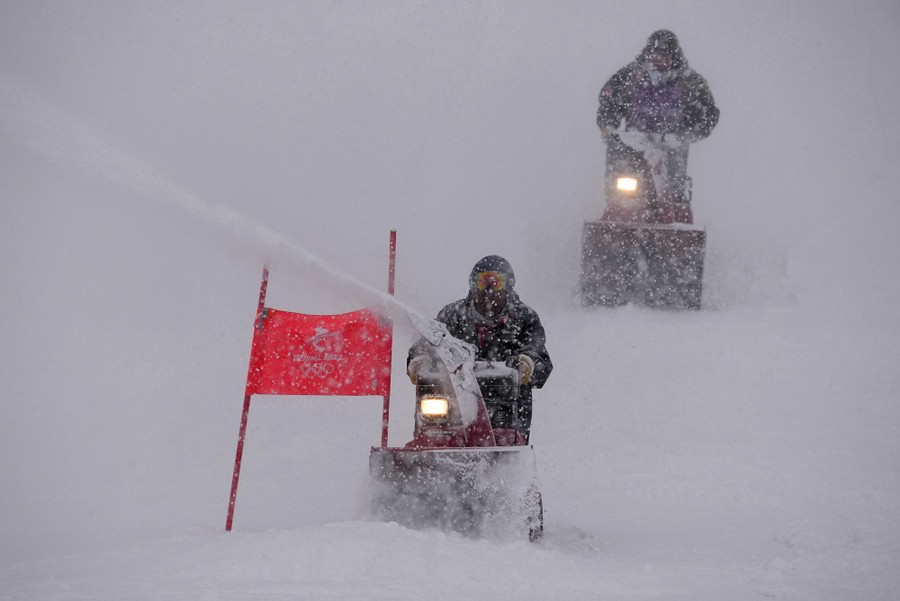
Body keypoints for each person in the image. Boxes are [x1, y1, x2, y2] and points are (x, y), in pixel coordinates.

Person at [406, 255, 552, 443]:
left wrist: (528, 364)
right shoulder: (452, 315)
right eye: (483, 282)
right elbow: (428, 342)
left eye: (496, 283)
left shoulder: (525, 319)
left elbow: (540, 359)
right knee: (433, 428)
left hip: (506, 407)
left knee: (504, 442)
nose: (489, 291)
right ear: (473, 284)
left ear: (509, 286)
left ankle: (506, 467)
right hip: (451, 401)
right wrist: (419, 359)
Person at [597, 29, 719, 205]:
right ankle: (616, 210)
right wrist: (608, 124)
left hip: (671, 143)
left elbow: (708, 111)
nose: (658, 60)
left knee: (673, 191)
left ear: (674, 58)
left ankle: (675, 210)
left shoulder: (690, 82)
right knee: (621, 183)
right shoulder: (631, 76)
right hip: (634, 141)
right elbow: (609, 98)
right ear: (647, 54)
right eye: (655, 55)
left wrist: (693, 131)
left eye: (664, 57)